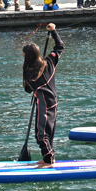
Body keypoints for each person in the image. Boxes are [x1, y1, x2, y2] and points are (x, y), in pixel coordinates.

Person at [23, 23, 64, 168]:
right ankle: (48, 157)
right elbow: (60, 46)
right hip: (53, 101)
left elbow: (28, 90)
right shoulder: (49, 62)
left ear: (28, 57)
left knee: (41, 134)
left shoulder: (30, 73)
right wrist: (53, 31)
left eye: (24, 55)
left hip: (44, 103)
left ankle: (49, 160)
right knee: (48, 131)